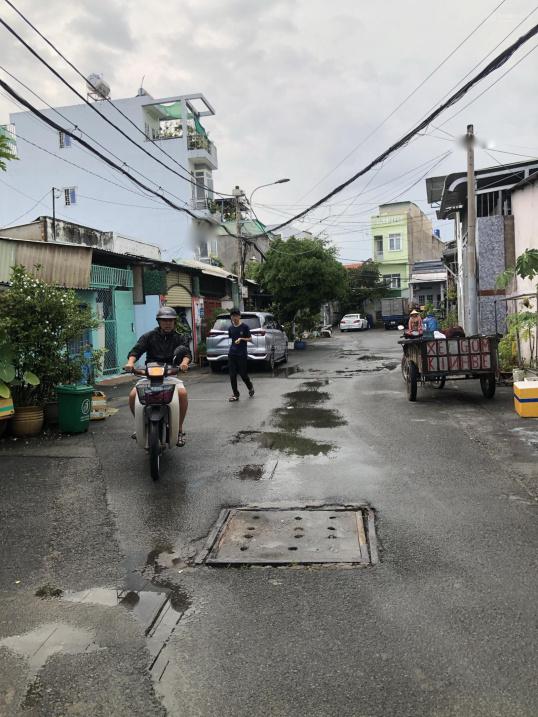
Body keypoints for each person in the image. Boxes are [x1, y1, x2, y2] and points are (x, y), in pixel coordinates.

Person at [123, 306, 191, 446]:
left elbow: (186, 353)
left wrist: (184, 363)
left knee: (182, 394)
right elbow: (136, 351)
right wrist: (130, 363)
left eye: (170, 320)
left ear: (174, 322)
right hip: (150, 375)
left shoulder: (179, 337)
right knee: (133, 395)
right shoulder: (149, 336)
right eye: (164, 320)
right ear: (159, 321)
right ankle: (140, 424)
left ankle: (179, 429)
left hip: (170, 374)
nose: (167, 323)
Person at [227, 308, 254, 402]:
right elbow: (231, 339)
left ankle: (250, 387)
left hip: (242, 354)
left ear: (239, 316)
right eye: (232, 316)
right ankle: (236, 394)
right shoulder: (230, 328)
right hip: (232, 354)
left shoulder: (245, 327)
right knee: (232, 375)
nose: (234, 318)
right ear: (231, 317)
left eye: (236, 316)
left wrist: (241, 339)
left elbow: (250, 339)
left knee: (243, 374)